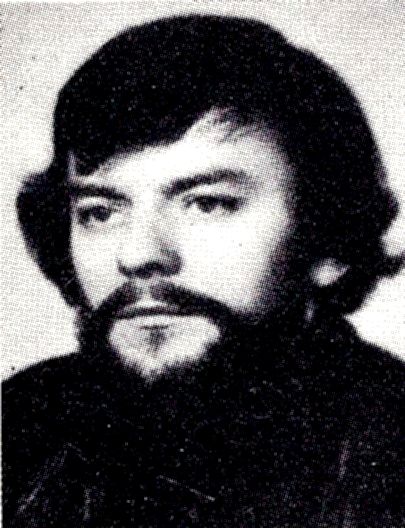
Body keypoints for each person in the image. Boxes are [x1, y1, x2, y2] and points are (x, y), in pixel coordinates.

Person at [3, 14, 404, 528]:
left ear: (330, 241)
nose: (138, 254)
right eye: (100, 212)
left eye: (208, 204)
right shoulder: (19, 424)